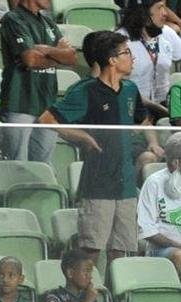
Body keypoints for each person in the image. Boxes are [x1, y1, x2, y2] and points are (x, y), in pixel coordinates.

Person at [40, 30, 160, 269]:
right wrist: (82, 135)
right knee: (91, 250)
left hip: (125, 184)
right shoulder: (86, 90)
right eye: (127, 53)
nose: (132, 58)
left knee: (123, 251)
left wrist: (152, 141)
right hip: (97, 184)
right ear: (112, 60)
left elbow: (142, 120)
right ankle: (87, 299)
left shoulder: (130, 90)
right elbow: (46, 120)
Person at [0, 0, 71, 163]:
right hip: (19, 102)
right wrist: (58, 54)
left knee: (44, 166)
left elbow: (71, 57)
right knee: (18, 165)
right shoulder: (13, 19)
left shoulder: (48, 21)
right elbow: (30, 59)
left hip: (47, 105)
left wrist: (46, 52)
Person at [119, 0, 181, 114]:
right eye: (160, 7)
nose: (165, 13)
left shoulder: (167, 33)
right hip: (132, 107)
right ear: (143, 12)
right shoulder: (120, 39)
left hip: (164, 106)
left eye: (165, 7)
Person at [137, 132, 181, 278]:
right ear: (176, 163)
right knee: (179, 255)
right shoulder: (154, 183)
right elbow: (147, 231)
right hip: (162, 250)